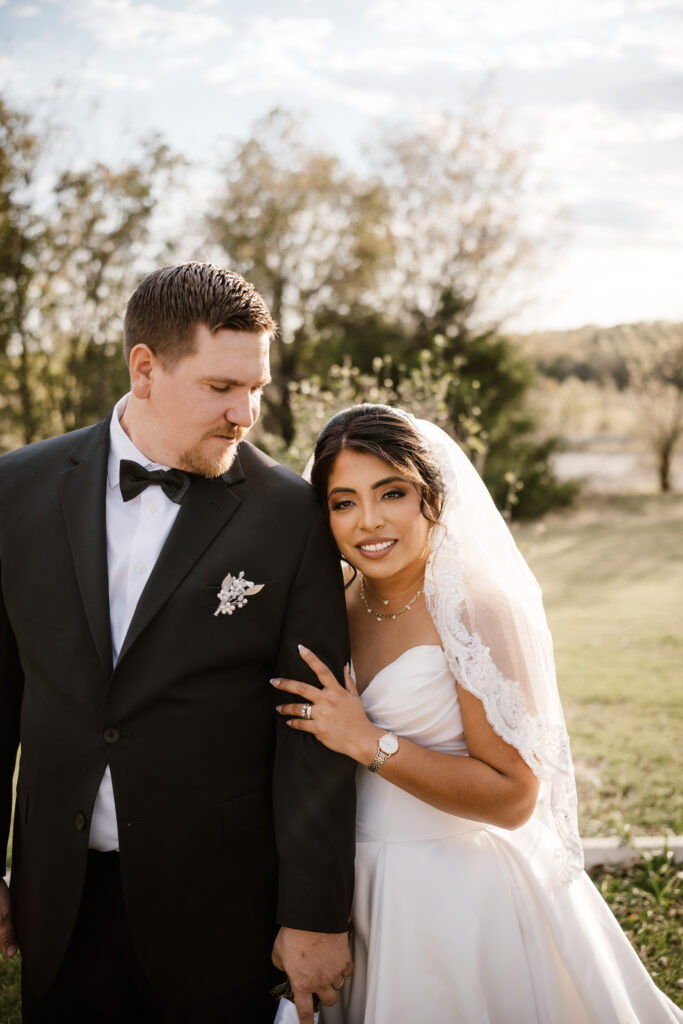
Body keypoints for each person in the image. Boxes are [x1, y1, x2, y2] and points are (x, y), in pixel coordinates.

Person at [0, 262, 356, 1024]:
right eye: (222, 388)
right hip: (59, 902)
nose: (246, 413)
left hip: (219, 908)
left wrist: (315, 912)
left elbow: (313, 734)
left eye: (255, 388)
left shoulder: (290, 516)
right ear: (145, 368)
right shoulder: (14, 490)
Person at [272, 403, 683, 1024]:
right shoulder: (330, 605)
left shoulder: (475, 608)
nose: (370, 521)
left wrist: (369, 743)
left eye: (393, 493)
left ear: (431, 495)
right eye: (343, 502)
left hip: (456, 894)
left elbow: (516, 796)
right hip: (351, 889)